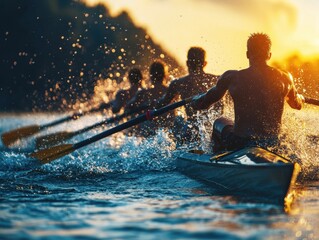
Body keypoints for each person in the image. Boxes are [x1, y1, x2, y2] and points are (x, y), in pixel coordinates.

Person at [191, 33, 304, 152]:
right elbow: (296, 104)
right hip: (271, 144)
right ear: (269, 55)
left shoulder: (232, 77)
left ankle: (216, 159)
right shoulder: (285, 78)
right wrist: (300, 97)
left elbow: (203, 103)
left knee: (220, 122)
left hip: (240, 143)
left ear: (247, 54)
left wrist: (195, 101)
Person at [157, 47, 221, 143]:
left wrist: (153, 104)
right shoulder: (217, 80)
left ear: (187, 63)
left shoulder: (178, 83)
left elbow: (162, 104)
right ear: (204, 63)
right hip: (216, 131)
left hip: (192, 131)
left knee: (178, 125)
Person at [126, 60, 169, 136]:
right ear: (165, 75)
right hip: (168, 131)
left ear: (150, 76)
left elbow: (128, 107)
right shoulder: (171, 91)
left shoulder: (143, 93)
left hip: (149, 134)